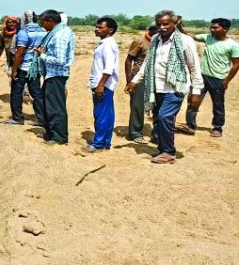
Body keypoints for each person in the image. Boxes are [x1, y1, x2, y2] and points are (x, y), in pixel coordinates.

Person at [127, 10, 203, 164]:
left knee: (164, 117)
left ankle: (168, 152)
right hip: (157, 87)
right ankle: (162, 148)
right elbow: (147, 63)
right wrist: (134, 81)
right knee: (158, 119)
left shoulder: (185, 41)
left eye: (166, 24)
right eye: (159, 24)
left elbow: (194, 67)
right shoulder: (155, 39)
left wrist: (196, 91)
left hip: (175, 88)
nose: (162, 27)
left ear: (174, 23)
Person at [183, 18, 239, 138]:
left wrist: (227, 81)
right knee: (193, 100)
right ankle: (190, 125)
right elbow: (189, 36)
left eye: (215, 27)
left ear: (225, 29)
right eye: (211, 27)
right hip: (201, 77)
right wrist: (178, 25)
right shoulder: (208, 38)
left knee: (218, 105)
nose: (212, 29)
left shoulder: (233, 46)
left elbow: (236, 65)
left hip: (218, 79)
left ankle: (217, 127)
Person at [29, 9, 76, 145]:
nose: (41, 25)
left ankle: (59, 137)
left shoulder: (59, 36)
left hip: (56, 74)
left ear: (50, 21)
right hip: (52, 74)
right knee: (46, 104)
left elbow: (60, 60)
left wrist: (42, 55)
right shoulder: (59, 32)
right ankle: (50, 133)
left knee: (55, 107)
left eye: (43, 22)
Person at [4, 11, 46, 126]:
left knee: (16, 93)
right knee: (36, 93)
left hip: (23, 67)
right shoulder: (43, 31)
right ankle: (41, 119)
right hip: (35, 67)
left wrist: (14, 70)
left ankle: (17, 118)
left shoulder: (24, 32)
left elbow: (20, 52)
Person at [85, 17, 120, 152]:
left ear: (110, 30)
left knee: (101, 114)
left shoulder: (107, 45)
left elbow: (108, 68)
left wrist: (101, 85)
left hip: (103, 85)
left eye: (100, 27)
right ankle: (105, 142)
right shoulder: (105, 43)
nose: (97, 29)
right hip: (104, 84)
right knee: (107, 114)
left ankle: (98, 143)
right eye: (96, 27)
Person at [123, 24, 158, 142]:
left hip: (156, 77)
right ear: (151, 30)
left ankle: (157, 134)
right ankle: (135, 133)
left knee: (158, 106)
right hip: (139, 77)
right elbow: (129, 60)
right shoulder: (139, 41)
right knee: (137, 106)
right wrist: (129, 81)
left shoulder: (162, 41)